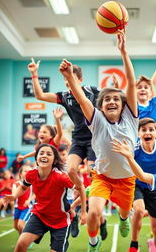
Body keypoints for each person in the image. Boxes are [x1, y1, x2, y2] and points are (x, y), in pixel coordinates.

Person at [59, 30, 138, 252]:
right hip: (102, 177)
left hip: (126, 179)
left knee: (124, 212)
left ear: (122, 105)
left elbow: (130, 82)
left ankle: (123, 218)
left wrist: (123, 52)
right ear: (100, 107)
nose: (112, 101)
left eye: (116, 99)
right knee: (93, 212)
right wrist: (70, 76)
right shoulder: (96, 120)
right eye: (107, 99)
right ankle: (93, 243)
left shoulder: (131, 118)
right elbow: (81, 97)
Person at [28, 58, 100, 223]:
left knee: (92, 174)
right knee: (71, 170)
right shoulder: (65, 96)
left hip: (94, 137)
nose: (67, 82)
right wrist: (34, 74)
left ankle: (90, 207)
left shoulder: (92, 90)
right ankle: (79, 194)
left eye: (71, 78)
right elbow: (40, 95)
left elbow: (114, 96)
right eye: (65, 79)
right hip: (78, 138)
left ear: (80, 80)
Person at [3, 144, 85, 252]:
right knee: (21, 244)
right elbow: (23, 187)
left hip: (60, 220)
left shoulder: (61, 177)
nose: (44, 155)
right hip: (39, 215)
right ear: (36, 158)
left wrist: (83, 211)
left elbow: (81, 188)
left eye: (48, 154)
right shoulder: (31, 174)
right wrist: (14, 196)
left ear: (54, 160)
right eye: (41, 153)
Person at [128, 118, 156, 252]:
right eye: (144, 130)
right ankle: (134, 243)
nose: (148, 132)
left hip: (153, 185)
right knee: (140, 210)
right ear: (138, 133)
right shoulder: (134, 148)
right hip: (136, 184)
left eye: (151, 130)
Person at [12, 165, 33, 235]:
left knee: (20, 225)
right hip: (17, 207)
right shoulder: (16, 184)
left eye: (29, 171)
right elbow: (14, 194)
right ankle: (22, 239)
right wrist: (12, 197)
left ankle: (24, 241)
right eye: (25, 171)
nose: (27, 173)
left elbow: (35, 194)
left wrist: (29, 200)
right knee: (15, 226)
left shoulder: (32, 183)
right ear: (20, 174)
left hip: (27, 207)